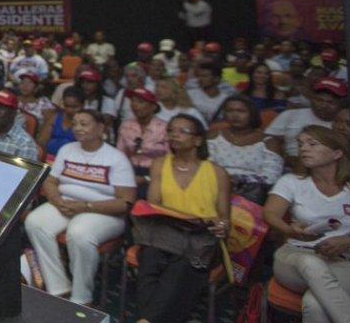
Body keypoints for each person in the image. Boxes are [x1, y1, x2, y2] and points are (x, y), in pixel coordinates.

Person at [26, 109, 136, 305]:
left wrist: (85, 206)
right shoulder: (67, 149)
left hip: (103, 211)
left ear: (101, 128)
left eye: (84, 124)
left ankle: (81, 297)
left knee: (79, 233)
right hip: (67, 202)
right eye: (75, 123)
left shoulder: (116, 158)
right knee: (35, 222)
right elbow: (50, 182)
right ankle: (59, 287)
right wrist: (57, 199)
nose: (77, 128)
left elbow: (125, 202)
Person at [132, 114, 231, 323]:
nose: (174, 135)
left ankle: (145, 319)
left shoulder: (217, 172)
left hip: (199, 237)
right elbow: (153, 205)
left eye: (182, 131)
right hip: (163, 231)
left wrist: (222, 225)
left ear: (198, 140)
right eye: (171, 130)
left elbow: (224, 218)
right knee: (150, 260)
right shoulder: (160, 164)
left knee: (181, 267)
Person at [264, 126, 350, 323]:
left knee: (314, 304)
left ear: (337, 153)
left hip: (345, 260)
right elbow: (270, 214)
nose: (303, 148)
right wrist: (290, 230)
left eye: (312, 144)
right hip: (295, 256)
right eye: (300, 144)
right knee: (311, 263)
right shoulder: (292, 181)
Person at [208, 95, 283, 202]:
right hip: (215, 187)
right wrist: (226, 181)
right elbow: (206, 167)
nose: (235, 115)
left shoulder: (269, 142)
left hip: (251, 193)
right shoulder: (213, 136)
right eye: (230, 111)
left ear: (252, 114)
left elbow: (271, 177)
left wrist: (240, 180)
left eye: (241, 111)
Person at [266, 78, 348, 160]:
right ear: (312, 98)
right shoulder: (290, 115)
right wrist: (277, 161)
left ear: (341, 104)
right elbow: (270, 139)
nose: (324, 105)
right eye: (319, 100)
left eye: (331, 102)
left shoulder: (344, 125)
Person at [115, 88, 168, 194]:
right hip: (130, 171)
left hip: (156, 173)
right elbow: (120, 154)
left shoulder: (164, 128)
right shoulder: (126, 125)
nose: (134, 105)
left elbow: (170, 159)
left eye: (140, 102)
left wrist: (146, 178)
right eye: (133, 101)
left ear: (153, 107)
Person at [39, 87, 85, 158]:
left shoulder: (86, 122)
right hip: (49, 158)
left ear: (82, 105)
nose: (69, 110)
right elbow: (42, 142)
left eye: (74, 107)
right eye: (67, 106)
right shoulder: (54, 117)